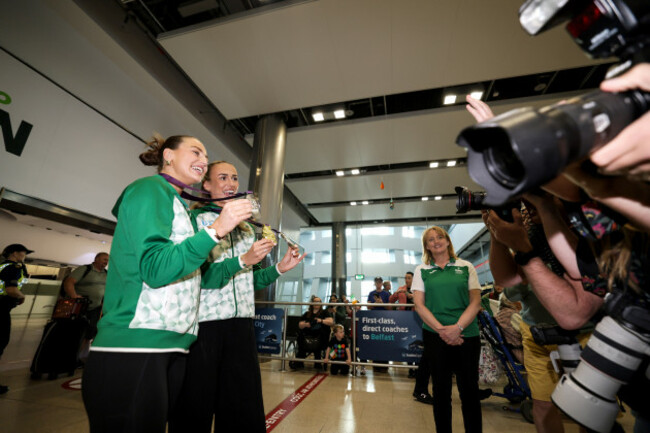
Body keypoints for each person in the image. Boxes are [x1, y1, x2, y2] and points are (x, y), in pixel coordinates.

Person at [82, 134, 253, 433]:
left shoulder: (182, 206)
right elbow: (155, 269)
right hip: (135, 344)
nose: (203, 160)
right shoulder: (149, 189)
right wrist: (215, 231)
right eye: (196, 151)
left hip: (173, 344)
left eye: (205, 155)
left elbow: (194, 275)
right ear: (168, 155)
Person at [169, 160, 304, 433]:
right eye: (222, 177)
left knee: (242, 404)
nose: (231, 184)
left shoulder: (245, 229)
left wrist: (279, 268)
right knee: (195, 403)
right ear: (205, 185)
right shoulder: (195, 221)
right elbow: (200, 278)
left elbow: (248, 280)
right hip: (204, 326)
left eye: (234, 178)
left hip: (242, 325)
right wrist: (243, 260)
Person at [412, 226, 482, 433]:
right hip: (435, 336)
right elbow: (419, 305)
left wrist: (458, 328)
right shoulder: (421, 270)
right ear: (426, 246)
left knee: (469, 392)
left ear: (448, 241)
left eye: (439, 237)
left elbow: (476, 302)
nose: (436, 241)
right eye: (430, 239)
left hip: (467, 335)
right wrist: (442, 330)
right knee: (441, 393)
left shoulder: (466, 266)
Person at [62, 252, 109, 361]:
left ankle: (80, 357)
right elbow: (69, 282)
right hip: (79, 307)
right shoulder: (85, 269)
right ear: (96, 259)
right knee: (74, 333)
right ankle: (68, 357)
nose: (106, 262)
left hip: (96, 308)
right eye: (104, 259)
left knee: (90, 332)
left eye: (107, 260)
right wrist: (74, 297)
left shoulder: (106, 274)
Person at [0, 243, 31, 394]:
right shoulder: (14, 267)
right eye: (23, 253)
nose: (24, 257)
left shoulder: (2, 265)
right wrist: (21, 295)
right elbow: (11, 290)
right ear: (15, 254)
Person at [292, 296, 334, 370]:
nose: (316, 303)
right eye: (315, 302)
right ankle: (299, 362)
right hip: (307, 336)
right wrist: (306, 324)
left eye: (318, 302)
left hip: (320, 336)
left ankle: (317, 362)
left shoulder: (325, 312)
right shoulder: (307, 313)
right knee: (301, 337)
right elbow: (300, 325)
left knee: (320, 336)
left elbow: (331, 322)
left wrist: (321, 321)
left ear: (321, 304)